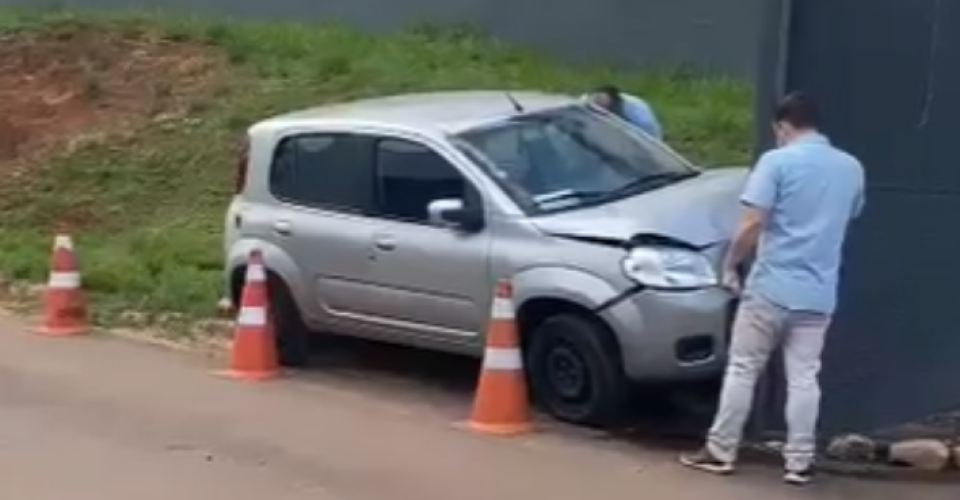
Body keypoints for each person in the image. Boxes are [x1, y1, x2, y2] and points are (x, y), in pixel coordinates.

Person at [678, 91, 865, 486]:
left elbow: (752, 222)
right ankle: (799, 463)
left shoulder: (776, 162)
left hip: (770, 288)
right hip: (818, 293)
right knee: (804, 377)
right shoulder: (851, 168)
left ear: (782, 126)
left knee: (743, 368)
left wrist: (731, 264)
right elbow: (849, 216)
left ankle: (720, 450)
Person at [585, 84, 662, 140]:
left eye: (602, 106)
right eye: (597, 99)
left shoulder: (640, 118)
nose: (596, 103)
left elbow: (648, 140)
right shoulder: (589, 99)